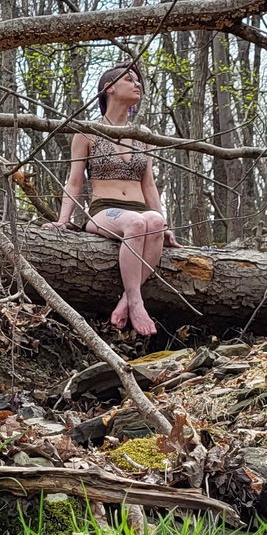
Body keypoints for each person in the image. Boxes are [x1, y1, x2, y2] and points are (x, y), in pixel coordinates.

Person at [53, 60, 177, 336]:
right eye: (129, 79)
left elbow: (149, 186)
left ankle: (126, 300)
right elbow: (74, 181)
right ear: (108, 88)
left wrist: (165, 225)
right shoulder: (87, 131)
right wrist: (63, 220)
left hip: (140, 211)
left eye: (138, 80)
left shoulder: (142, 135)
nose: (137, 84)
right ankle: (137, 303)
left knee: (154, 222)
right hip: (104, 212)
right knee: (136, 223)